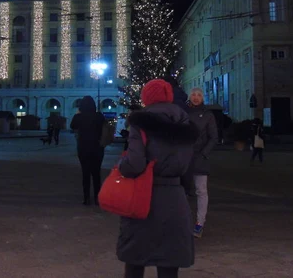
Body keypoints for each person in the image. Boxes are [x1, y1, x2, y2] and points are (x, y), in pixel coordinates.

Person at [117, 79, 197, 278]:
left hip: (144, 198)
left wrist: (121, 166)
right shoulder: (185, 123)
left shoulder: (140, 123)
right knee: (170, 261)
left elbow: (135, 164)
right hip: (174, 198)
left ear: (146, 98)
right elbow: (188, 166)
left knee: (136, 259)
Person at [183, 87, 218, 239]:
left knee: (201, 191)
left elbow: (213, 137)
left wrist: (204, 153)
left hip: (200, 158)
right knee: (182, 190)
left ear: (203, 98)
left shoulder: (208, 115)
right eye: (193, 95)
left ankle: (200, 223)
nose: (196, 97)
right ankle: (182, 221)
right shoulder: (183, 112)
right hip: (184, 157)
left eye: (199, 95)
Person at [70, 96, 105, 205]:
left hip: (83, 147)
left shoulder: (78, 117)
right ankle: (97, 198)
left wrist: (78, 113)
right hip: (97, 147)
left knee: (85, 173)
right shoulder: (99, 116)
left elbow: (72, 126)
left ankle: (86, 198)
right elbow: (105, 127)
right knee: (96, 173)